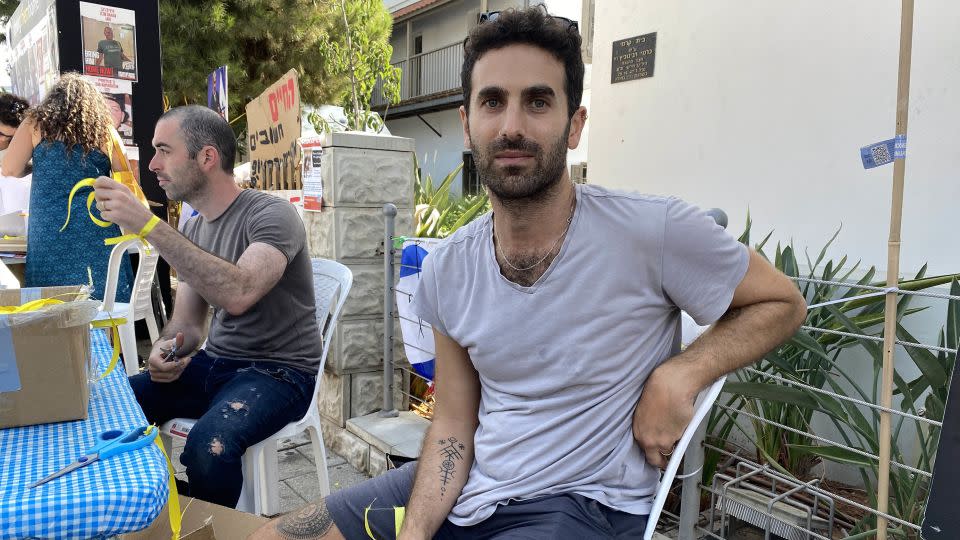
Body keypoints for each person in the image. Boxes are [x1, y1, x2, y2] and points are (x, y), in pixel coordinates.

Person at [252, 7, 807, 540]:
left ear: (574, 124)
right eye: (493, 102)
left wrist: (683, 372)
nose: (512, 126)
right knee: (272, 536)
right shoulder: (448, 269)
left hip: (582, 505)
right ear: (468, 123)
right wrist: (417, 529)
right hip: (470, 489)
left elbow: (781, 303)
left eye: (538, 102)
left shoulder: (651, 231)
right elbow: (451, 426)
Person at [91, 105, 323, 507]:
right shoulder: (194, 225)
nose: (152, 164)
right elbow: (188, 324)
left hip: (282, 372)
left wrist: (147, 224)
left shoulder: (272, 214)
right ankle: (157, 511)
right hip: (217, 363)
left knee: (208, 447)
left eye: (164, 150)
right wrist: (169, 349)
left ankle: (211, 525)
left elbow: (238, 293)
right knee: (113, 404)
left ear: (207, 157)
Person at [1, 72, 133, 302]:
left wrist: (38, 166)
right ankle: (105, 337)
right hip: (96, 228)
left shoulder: (35, 123)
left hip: (50, 230)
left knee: (50, 303)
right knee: (102, 301)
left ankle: (59, 339)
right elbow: (125, 176)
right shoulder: (105, 130)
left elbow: (9, 168)